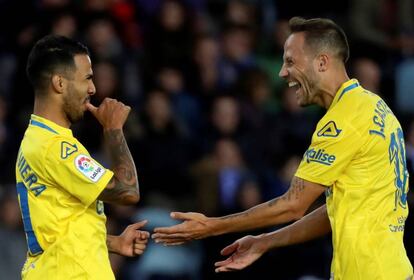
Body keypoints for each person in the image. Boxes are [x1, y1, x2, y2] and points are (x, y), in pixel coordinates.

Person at [152, 17, 413, 279]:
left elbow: (293, 204)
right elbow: (338, 209)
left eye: (290, 61)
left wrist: (211, 226)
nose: (282, 72)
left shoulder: (343, 120)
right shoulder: (375, 107)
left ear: (322, 62)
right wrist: (265, 241)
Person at [16, 34, 149, 279]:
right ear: (60, 83)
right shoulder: (55, 147)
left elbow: (57, 228)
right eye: (87, 78)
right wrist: (113, 129)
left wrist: (110, 243)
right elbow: (127, 191)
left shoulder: (35, 139)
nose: (93, 89)